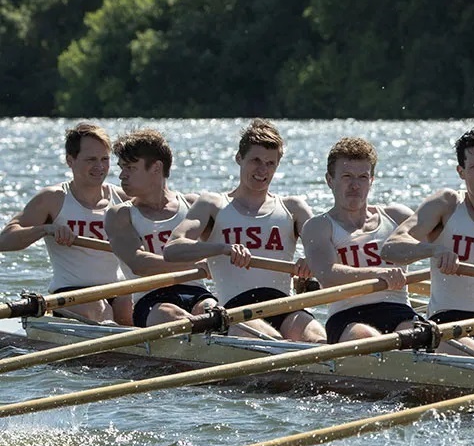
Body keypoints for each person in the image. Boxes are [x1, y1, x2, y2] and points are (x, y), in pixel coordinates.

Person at [163, 118, 325, 342]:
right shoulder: (212, 205)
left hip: (284, 307)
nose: (262, 170)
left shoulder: (292, 207)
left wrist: (312, 260)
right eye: (255, 160)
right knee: (270, 340)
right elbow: (172, 250)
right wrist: (222, 248)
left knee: (318, 339)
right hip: (236, 311)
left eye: (270, 163)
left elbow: (327, 250)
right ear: (239, 158)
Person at [381, 125, 474, 360]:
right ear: (461, 172)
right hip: (447, 324)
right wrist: (434, 250)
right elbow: (391, 248)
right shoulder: (447, 205)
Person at [0, 122, 133, 325]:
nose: (99, 167)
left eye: (104, 159)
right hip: (71, 294)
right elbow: (5, 240)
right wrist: (47, 229)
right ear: (70, 161)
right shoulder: (52, 199)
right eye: (91, 159)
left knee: (131, 307)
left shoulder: (123, 199)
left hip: (118, 293)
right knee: (100, 308)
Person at [300, 137, 418, 344]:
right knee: (369, 339)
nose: (355, 185)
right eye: (347, 176)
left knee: (417, 338)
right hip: (348, 318)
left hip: (399, 311)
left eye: (362, 177)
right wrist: (379, 272)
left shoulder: (398, 217)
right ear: (330, 180)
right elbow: (327, 275)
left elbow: (441, 239)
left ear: (371, 180)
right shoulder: (318, 226)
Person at [104, 129, 218, 327]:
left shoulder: (193, 205)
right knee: (175, 316)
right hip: (151, 299)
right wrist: (194, 265)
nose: (122, 175)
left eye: (130, 168)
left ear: (156, 168)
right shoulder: (119, 215)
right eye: (122, 168)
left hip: (197, 293)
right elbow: (139, 264)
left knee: (213, 311)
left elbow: (227, 245)